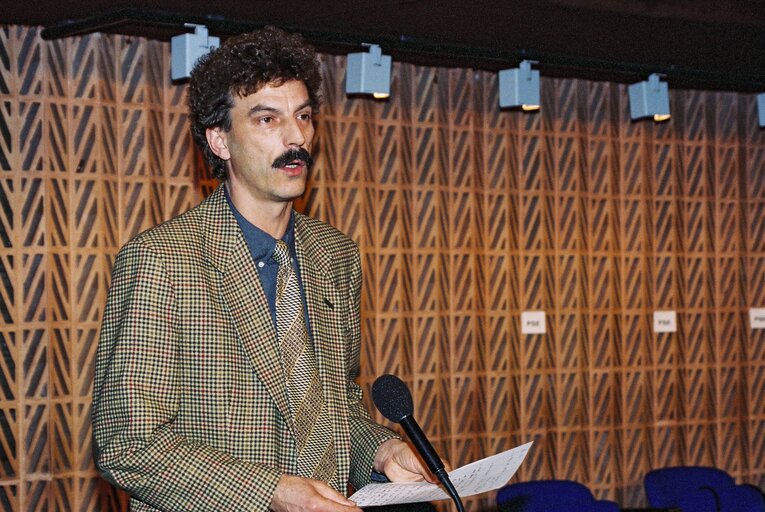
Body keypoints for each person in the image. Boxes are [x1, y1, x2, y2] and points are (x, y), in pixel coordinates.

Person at [92, 26, 433, 512]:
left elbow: (336, 412)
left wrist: (379, 450)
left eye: (303, 116)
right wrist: (271, 492)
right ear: (220, 140)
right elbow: (128, 444)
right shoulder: (163, 260)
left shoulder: (335, 256)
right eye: (268, 119)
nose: (296, 137)